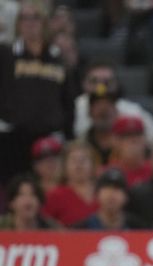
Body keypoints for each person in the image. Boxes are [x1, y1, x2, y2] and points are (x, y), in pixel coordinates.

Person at [0, 0, 77, 185]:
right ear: (18, 24)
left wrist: (69, 135)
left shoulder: (57, 57)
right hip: (13, 138)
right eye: (25, 18)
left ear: (45, 23)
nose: (30, 23)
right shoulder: (6, 55)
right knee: (14, 187)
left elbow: (68, 100)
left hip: (49, 137)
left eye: (35, 17)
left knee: (48, 186)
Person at [73, 60, 153, 146]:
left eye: (107, 82)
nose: (101, 88)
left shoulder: (131, 110)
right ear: (84, 84)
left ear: (116, 85)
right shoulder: (73, 107)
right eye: (94, 81)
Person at [42, 141, 98, 226]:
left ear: (93, 164)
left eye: (83, 160)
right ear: (65, 166)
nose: (79, 165)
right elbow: (44, 223)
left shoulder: (103, 192)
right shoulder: (55, 195)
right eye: (74, 160)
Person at [74, 168, 143, 230]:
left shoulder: (137, 228)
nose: (111, 194)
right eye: (106, 188)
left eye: (117, 188)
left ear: (126, 197)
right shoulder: (81, 229)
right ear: (97, 194)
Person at [108, 116, 153, 188]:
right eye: (126, 136)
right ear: (115, 141)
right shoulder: (107, 174)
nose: (133, 140)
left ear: (145, 139)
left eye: (137, 135)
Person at [83, 84, 120, 166]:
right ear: (89, 112)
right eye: (98, 104)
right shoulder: (82, 144)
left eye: (108, 104)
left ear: (116, 111)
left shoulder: (126, 142)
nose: (104, 109)